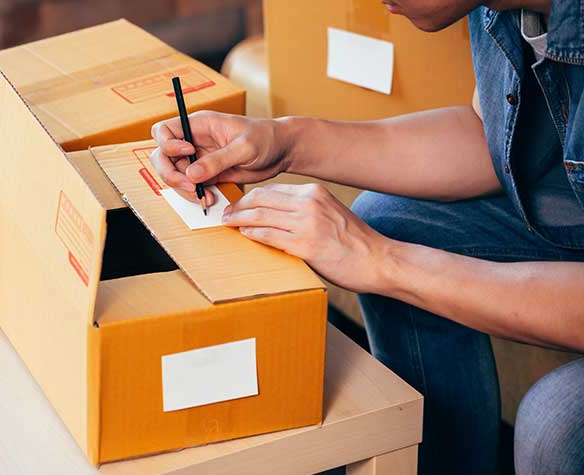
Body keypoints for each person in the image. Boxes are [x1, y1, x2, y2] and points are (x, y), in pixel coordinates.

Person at [149, 1, 584, 474]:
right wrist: (286, 141)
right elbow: (489, 139)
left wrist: (383, 263)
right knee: (387, 218)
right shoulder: (501, 10)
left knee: (556, 423)